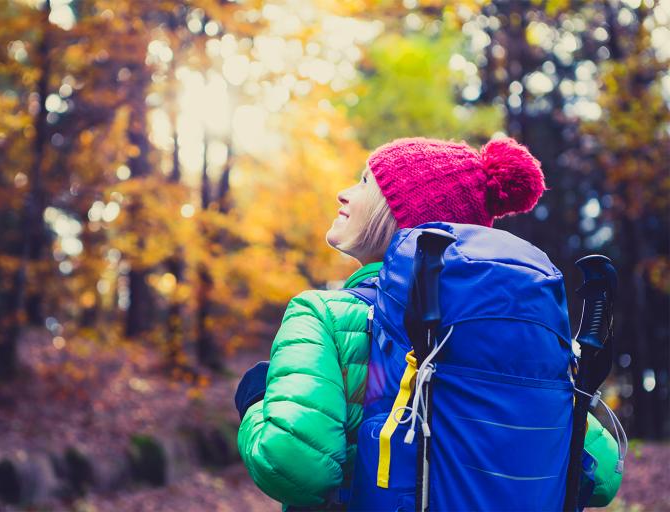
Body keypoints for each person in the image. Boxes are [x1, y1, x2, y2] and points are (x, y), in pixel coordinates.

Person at [234, 137, 622, 510]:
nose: (344, 193)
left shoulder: (323, 315)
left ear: (401, 214)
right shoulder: (512, 336)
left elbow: (293, 462)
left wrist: (256, 401)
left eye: (366, 181)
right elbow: (602, 475)